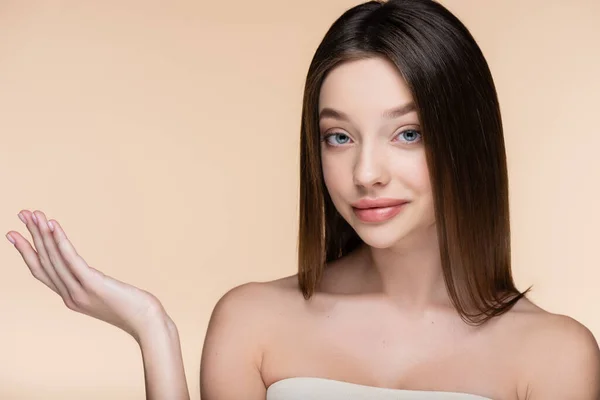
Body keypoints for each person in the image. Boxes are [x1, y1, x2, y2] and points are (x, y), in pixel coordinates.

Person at [6, 0, 600, 399]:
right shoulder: (253, 322)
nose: (365, 172)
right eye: (338, 137)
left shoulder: (555, 356)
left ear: (467, 141)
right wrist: (152, 329)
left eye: (407, 133)